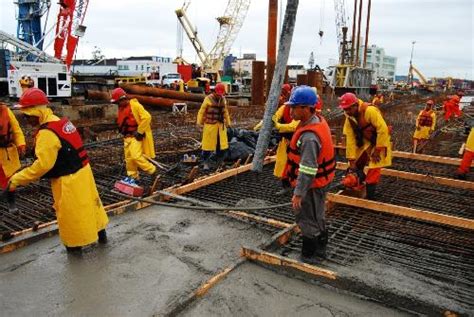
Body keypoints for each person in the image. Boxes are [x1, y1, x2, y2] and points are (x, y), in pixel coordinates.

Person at [8, 88, 109, 253]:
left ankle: (75, 256)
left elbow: (42, 166)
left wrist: (17, 179)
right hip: (84, 172)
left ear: (37, 112)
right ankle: (103, 240)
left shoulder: (47, 133)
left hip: (69, 180)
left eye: (28, 115)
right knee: (92, 207)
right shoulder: (59, 121)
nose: (26, 120)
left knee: (71, 218)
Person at [282, 86, 336, 263]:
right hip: (320, 183)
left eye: (294, 107)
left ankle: (309, 255)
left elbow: (307, 169)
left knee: (306, 218)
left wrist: (298, 193)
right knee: (317, 214)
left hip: (311, 185)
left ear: (306, 108)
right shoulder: (316, 121)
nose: (290, 110)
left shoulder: (309, 137)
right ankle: (320, 249)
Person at [339, 92, 392, 200]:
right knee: (357, 162)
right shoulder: (349, 117)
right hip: (365, 140)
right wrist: (351, 161)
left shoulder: (369, 111)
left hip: (380, 140)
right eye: (345, 109)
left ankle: (370, 197)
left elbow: (382, 130)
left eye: (349, 109)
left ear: (355, 105)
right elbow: (350, 139)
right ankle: (356, 183)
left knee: (374, 167)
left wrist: (377, 150)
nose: (347, 112)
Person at [110, 88, 156, 183]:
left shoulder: (135, 105)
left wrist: (139, 132)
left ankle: (152, 170)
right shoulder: (121, 108)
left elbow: (147, 117)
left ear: (123, 99)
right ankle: (133, 177)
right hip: (127, 138)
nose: (117, 104)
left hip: (135, 136)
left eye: (118, 102)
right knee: (129, 159)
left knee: (136, 156)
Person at [196, 82, 231, 170]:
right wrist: (199, 122)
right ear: (215, 92)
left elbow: (225, 112)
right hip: (210, 126)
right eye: (219, 93)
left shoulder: (223, 99)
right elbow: (201, 111)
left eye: (221, 94)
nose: (220, 95)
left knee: (221, 145)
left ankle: (219, 162)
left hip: (220, 126)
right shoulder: (208, 99)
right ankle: (205, 162)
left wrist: (228, 122)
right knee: (207, 145)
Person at [0, 102, 26, 212]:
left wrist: (21, 144)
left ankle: (11, 203)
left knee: (10, 179)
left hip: (6, 152)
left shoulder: (6, 111)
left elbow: (16, 130)